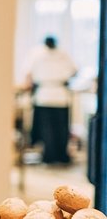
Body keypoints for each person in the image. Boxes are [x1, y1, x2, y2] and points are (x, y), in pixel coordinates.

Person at [25, 36, 77, 165]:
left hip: (54, 95)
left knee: (56, 129)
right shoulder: (39, 53)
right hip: (50, 94)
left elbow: (28, 73)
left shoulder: (61, 54)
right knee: (51, 129)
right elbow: (74, 70)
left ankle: (56, 156)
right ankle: (52, 155)